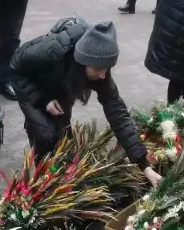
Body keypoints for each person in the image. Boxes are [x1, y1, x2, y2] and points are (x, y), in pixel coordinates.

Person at [10, 18, 162, 187]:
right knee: (45, 135)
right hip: (33, 87)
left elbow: (118, 114)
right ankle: (42, 184)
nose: (103, 75)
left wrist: (145, 166)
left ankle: (62, 181)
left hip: (63, 85)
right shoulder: (53, 50)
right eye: (98, 70)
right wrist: (43, 99)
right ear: (82, 62)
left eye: (107, 69)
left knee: (63, 136)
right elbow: (16, 66)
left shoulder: (98, 64)